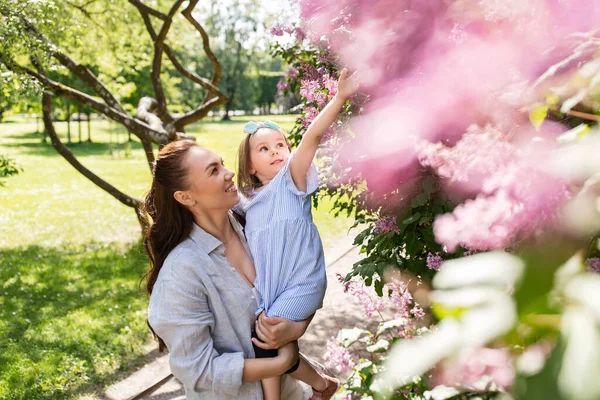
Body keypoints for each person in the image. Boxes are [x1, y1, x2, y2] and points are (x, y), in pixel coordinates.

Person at [140, 140, 319, 399]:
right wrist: (280, 363)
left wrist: (297, 327)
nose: (229, 172)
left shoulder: (254, 222)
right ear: (185, 196)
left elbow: (303, 279)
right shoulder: (181, 272)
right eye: (213, 170)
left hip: (292, 392)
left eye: (222, 163)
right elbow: (198, 371)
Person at [237, 68, 360, 400]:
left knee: (266, 340)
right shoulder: (249, 202)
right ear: (249, 166)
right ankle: (323, 385)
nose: (276, 150)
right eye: (264, 149)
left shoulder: (291, 181)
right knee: (271, 342)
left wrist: (339, 98)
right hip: (272, 288)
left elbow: (312, 138)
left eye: (280, 144)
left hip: (302, 281)